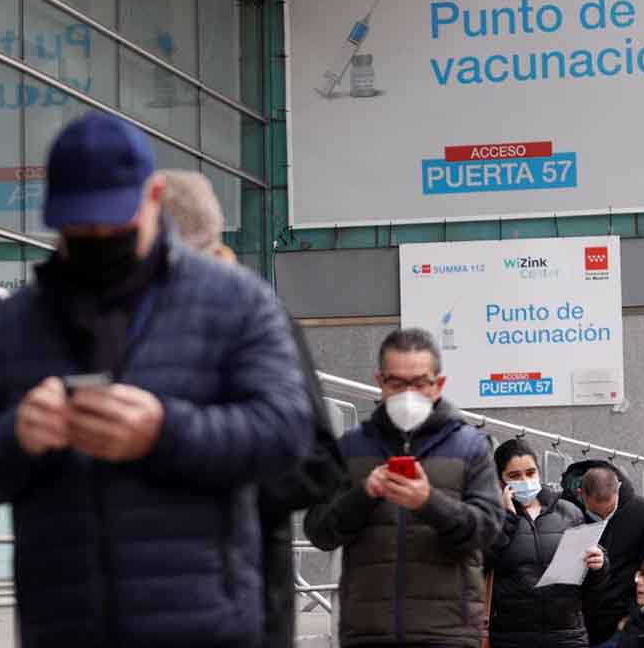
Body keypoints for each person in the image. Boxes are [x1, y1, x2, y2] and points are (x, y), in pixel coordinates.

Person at [0, 114, 312, 648]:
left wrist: (163, 431)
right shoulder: (10, 325)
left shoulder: (234, 302)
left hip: (205, 625)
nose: (96, 239)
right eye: (78, 228)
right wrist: (16, 435)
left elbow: (289, 434)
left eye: (113, 225)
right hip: (63, 625)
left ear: (154, 196)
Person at [158, 169, 349, 648]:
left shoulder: (259, 320)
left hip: (244, 590)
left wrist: (203, 475)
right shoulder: (130, 325)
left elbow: (318, 465)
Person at [304, 328, 502, 647]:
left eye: (419, 383)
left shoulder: (470, 448)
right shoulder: (350, 449)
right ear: (380, 382)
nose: (408, 394)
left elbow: (488, 531)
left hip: (446, 633)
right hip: (368, 631)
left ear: (438, 384)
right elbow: (319, 530)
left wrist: (429, 502)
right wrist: (364, 495)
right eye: (397, 383)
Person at [484, 438, 606, 648]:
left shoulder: (569, 512)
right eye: (515, 475)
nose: (525, 480)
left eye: (531, 473)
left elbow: (592, 583)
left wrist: (599, 563)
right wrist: (507, 520)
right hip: (512, 637)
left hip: (567, 635)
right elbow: (478, 563)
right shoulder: (490, 516)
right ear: (501, 480)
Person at [562, 461, 644, 644]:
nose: (604, 518)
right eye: (596, 514)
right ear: (580, 494)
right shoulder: (562, 513)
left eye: (609, 511)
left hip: (623, 626)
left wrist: (639, 616)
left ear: (618, 489)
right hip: (572, 627)